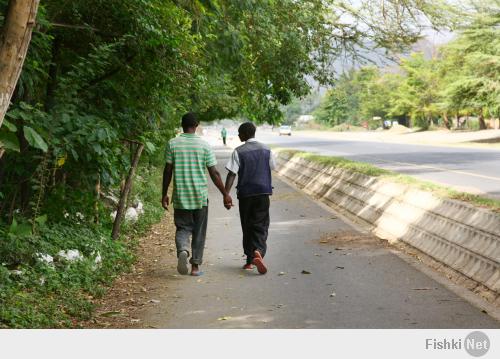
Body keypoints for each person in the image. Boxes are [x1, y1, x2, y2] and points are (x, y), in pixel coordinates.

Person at [162, 112, 232, 276]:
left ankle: (183, 251)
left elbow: (167, 171)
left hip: (180, 197)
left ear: (182, 125)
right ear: (197, 125)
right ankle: (195, 267)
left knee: (182, 228)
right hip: (200, 197)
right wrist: (225, 194)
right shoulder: (204, 145)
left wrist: (164, 193)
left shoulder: (172, 144)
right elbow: (214, 173)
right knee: (199, 232)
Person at [224, 122, 275, 274]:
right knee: (261, 224)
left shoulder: (238, 151)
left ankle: (249, 261)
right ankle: (258, 251)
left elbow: (232, 174)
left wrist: (226, 194)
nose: (239, 136)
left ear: (245, 134)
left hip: (246, 194)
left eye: (239, 133)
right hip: (263, 192)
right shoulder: (267, 149)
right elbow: (273, 167)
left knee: (247, 226)